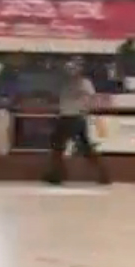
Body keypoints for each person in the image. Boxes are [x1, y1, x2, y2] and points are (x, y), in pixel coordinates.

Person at [47, 57, 110, 186]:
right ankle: (103, 174)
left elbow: (92, 98)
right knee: (84, 148)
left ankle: (58, 175)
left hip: (70, 117)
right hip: (74, 117)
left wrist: (85, 106)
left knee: (58, 147)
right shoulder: (69, 82)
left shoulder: (81, 82)